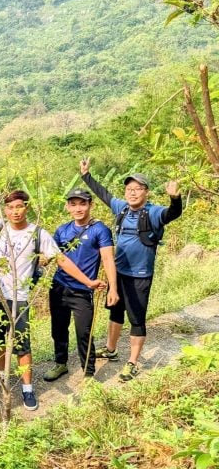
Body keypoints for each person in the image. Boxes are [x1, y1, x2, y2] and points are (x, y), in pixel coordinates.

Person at [0, 175, 104, 410]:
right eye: (10, 207)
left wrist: (88, 281)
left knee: (23, 345)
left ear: (27, 208)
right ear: (5, 210)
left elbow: (61, 260)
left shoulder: (38, 234)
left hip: (20, 297)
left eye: (19, 206)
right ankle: (0, 378)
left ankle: (27, 388)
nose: (15, 212)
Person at [79, 159, 183, 381]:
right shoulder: (122, 208)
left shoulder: (153, 212)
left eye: (137, 189)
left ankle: (133, 362)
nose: (132, 193)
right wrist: (86, 176)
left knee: (136, 318)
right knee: (115, 311)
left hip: (140, 276)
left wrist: (175, 198)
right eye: (129, 189)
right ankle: (111, 349)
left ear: (146, 192)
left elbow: (172, 214)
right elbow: (103, 194)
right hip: (118, 273)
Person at [44, 187, 119, 382]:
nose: (78, 208)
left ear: (90, 205)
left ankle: (88, 372)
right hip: (59, 287)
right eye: (73, 204)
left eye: (83, 203)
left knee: (84, 332)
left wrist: (113, 288)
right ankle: (61, 363)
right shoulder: (62, 230)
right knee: (58, 328)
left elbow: (108, 259)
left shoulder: (100, 229)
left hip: (84, 290)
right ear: (67, 207)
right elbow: (50, 256)